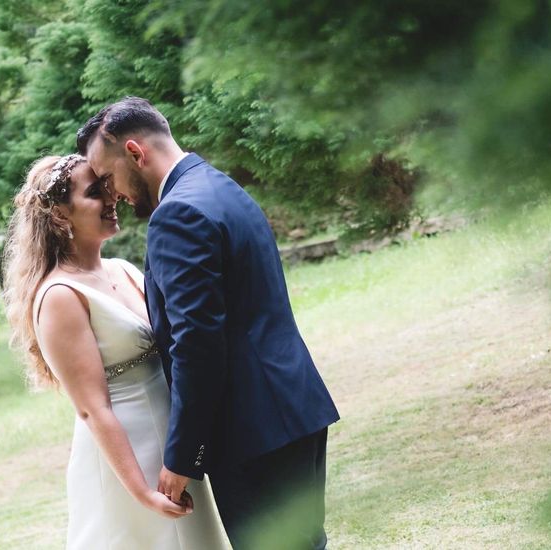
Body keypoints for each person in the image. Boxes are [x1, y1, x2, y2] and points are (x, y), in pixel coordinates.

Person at [77, 96, 340, 549]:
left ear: (136, 153)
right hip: (293, 409)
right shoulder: (219, 186)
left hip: (252, 429)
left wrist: (182, 457)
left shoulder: (176, 215)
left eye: (107, 177)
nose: (112, 193)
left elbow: (197, 344)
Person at [2, 154, 230, 549]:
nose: (112, 199)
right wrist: (140, 492)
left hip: (173, 444)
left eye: (107, 188)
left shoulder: (123, 269)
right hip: (128, 456)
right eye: (94, 193)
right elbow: (93, 408)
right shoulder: (60, 296)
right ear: (60, 214)